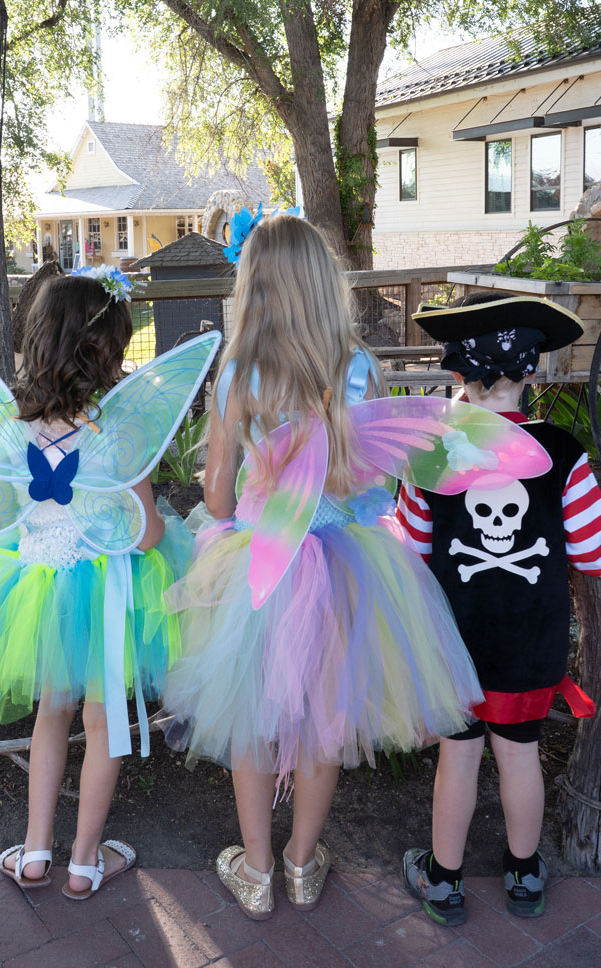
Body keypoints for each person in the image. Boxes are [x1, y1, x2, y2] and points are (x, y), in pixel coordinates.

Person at [161, 212, 483, 920]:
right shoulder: (359, 367)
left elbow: (216, 496)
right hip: (346, 564)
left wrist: (247, 498)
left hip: (259, 565)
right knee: (326, 715)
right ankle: (303, 864)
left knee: (249, 712)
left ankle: (256, 870)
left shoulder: (238, 375)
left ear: (255, 286)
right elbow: (373, 481)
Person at [0, 271, 200, 900]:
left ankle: (36, 851)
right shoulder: (118, 431)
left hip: (37, 593)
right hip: (108, 593)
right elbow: (148, 532)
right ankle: (84, 862)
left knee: (50, 714)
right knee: (104, 722)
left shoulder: (8, 428)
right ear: (105, 351)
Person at [399, 290, 601, 926]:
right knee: (519, 751)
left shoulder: (430, 453)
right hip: (531, 639)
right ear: (531, 373)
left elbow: (411, 549)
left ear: (457, 375)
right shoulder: (564, 451)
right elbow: (594, 553)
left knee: (459, 754)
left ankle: (444, 881)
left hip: (455, 638)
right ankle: (524, 874)